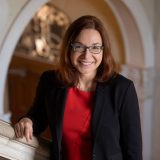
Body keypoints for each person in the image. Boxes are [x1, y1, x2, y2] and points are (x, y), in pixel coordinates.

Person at [14, 15, 142, 160]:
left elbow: (133, 152)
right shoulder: (50, 81)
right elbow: (38, 117)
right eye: (79, 46)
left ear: (103, 50)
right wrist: (28, 121)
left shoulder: (122, 89)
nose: (87, 55)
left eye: (95, 47)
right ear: (69, 48)